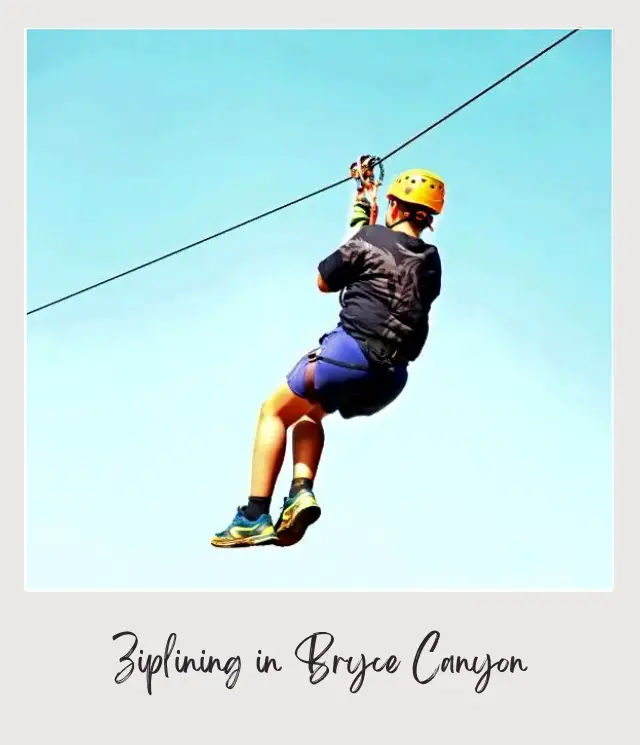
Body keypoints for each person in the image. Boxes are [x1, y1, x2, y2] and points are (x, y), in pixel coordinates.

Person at [211, 166, 445, 549]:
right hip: (390, 379)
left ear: (394, 205)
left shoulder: (369, 236)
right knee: (309, 413)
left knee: (273, 411)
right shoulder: (432, 261)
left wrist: (361, 209)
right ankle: (301, 491)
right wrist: (365, 209)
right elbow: (386, 255)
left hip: (348, 356)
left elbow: (326, 277)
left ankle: (254, 515)